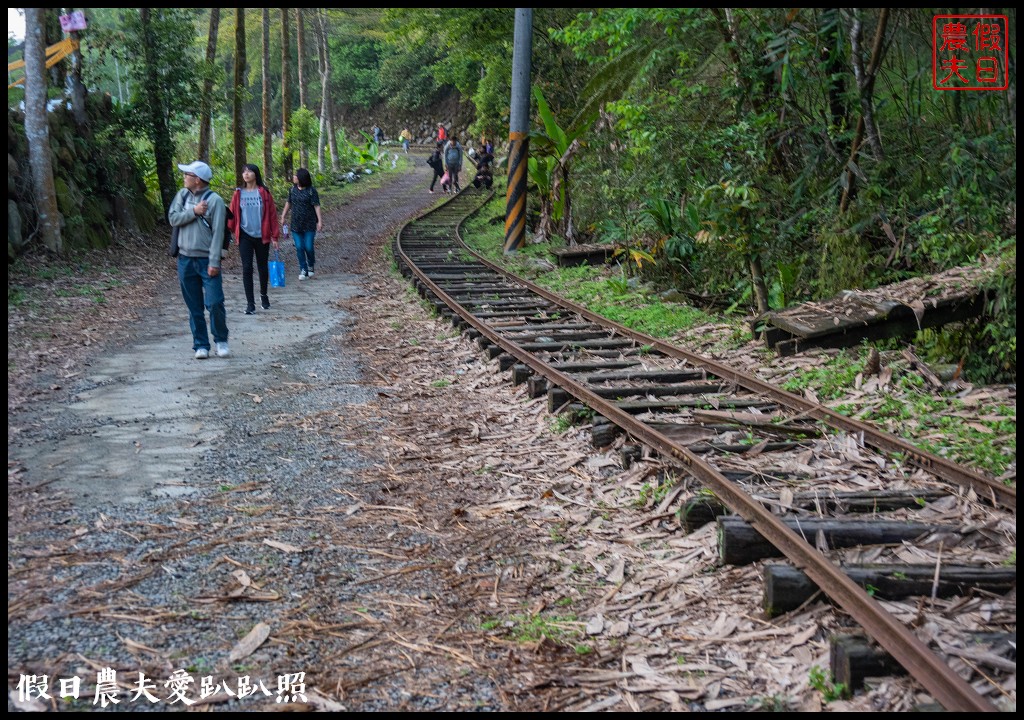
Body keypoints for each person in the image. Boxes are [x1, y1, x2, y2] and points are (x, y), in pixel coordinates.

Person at [168, 160, 230, 359]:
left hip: (206, 261)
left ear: (197, 180)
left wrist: (214, 262)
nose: (184, 177)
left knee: (214, 302)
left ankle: (220, 340)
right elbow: (173, 218)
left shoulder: (215, 201)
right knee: (194, 306)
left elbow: (219, 233)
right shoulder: (182, 195)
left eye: (188, 174)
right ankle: (200, 344)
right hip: (185, 259)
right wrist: (193, 212)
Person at [227, 163, 281, 315]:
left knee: (262, 267)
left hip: (262, 235)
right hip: (245, 235)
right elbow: (231, 214)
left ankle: (263, 295)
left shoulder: (264, 193)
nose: (246, 174)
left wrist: (275, 236)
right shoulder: (238, 194)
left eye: (249, 171)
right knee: (247, 268)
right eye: (244, 171)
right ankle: (250, 303)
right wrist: (229, 231)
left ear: (256, 174)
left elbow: (272, 215)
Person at [279, 168, 323, 281]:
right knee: (299, 247)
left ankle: (310, 264)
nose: (294, 177)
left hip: (309, 223)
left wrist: (319, 221)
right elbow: (288, 203)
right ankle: (303, 268)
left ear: (301, 178)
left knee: (308, 247)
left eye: (295, 175)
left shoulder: (311, 191)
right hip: (296, 224)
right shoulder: (292, 190)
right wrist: (283, 215)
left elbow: (316, 205)